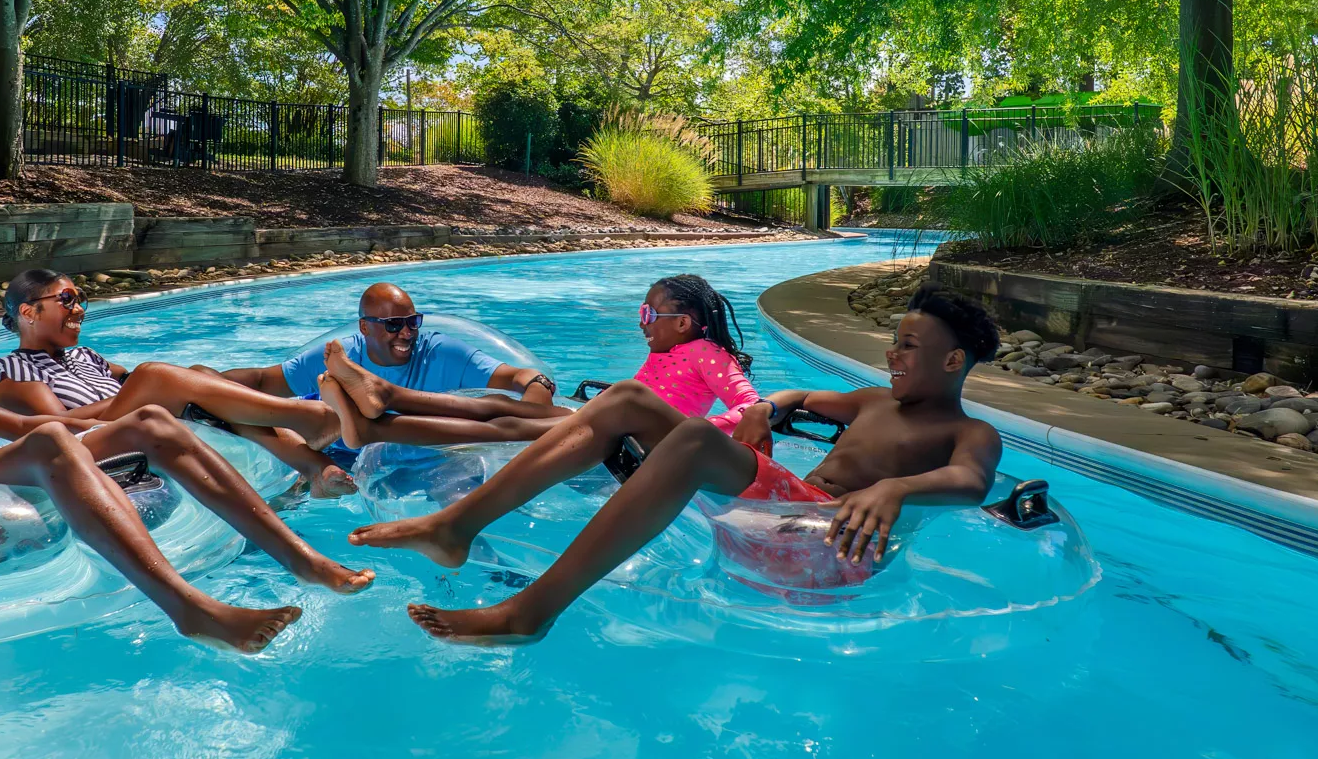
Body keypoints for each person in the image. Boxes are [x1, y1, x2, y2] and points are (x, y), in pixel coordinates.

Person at [348, 283, 1004, 644]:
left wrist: (896, 488)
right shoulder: (870, 400)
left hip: (829, 552)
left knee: (690, 438)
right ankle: (456, 526)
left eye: (909, 347)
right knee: (629, 398)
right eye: (893, 343)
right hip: (778, 514)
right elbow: (800, 395)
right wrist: (768, 408)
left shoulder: (968, 432)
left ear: (953, 362)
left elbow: (970, 484)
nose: (893, 356)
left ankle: (532, 610)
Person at [0, 291, 373, 654]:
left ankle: (300, 558)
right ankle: (189, 608)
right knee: (61, 438)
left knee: (154, 423)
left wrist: (137, 407)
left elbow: (27, 431)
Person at [0, 269, 356, 498]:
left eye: (81, 299)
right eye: (68, 300)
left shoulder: (87, 356)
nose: (80, 310)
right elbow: (59, 430)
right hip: (94, 442)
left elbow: (162, 383)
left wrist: (177, 387)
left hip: (138, 422)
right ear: (28, 311)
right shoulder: (10, 371)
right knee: (156, 375)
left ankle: (313, 465)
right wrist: (148, 391)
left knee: (198, 373)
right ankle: (306, 417)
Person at [317, 272, 756, 451]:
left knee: (502, 426)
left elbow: (750, 408)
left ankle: (377, 416)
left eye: (647, 314)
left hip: (641, 439)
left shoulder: (705, 353)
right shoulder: (671, 353)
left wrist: (697, 431)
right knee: (494, 405)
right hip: (616, 421)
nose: (640, 323)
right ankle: (383, 400)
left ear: (682, 323)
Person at [213, 281, 566, 462]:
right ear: (365, 328)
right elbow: (262, 381)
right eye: (394, 324)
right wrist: (203, 383)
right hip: (345, 457)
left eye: (412, 322)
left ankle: (370, 408)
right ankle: (356, 416)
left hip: (428, 459)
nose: (407, 333)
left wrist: (535, 410)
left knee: (489, 411)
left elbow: (523, 377)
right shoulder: (341, 354)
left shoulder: (440, 351)